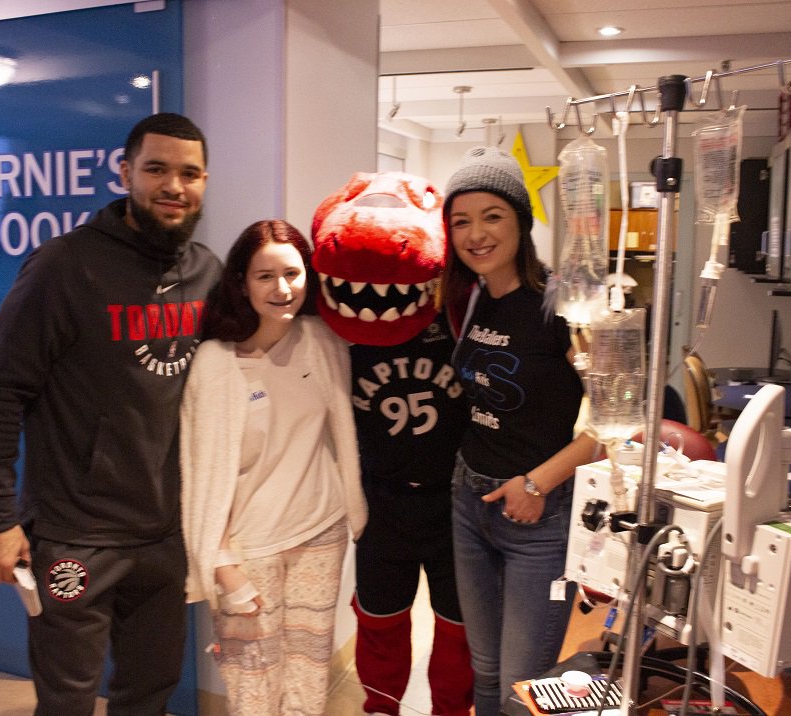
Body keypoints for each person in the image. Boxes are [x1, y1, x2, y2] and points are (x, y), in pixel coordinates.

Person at [0, 112, 221, 715]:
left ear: (204, 181)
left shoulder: (208, 274)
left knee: (150, 693)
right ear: (125, 171)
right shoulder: (64, 266)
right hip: (74, 536)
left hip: (164, 535)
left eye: (188, 173)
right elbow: (0, 393)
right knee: (68, 700)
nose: (172, 186)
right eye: (156, 168)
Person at [180, 219, 366, 716]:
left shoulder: (323, 341)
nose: (282, 289)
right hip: (249, 548)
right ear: (241, 282)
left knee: (307, 681)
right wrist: (220, 565)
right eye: (265, 276)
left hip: (320, 533)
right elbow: (197, 475)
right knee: (252, 690)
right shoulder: (215, 364)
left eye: (292, 273)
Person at [308, 170, 474, 716]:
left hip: (452, 500)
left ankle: (451, 709)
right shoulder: (338, 327)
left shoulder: (456, 314)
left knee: (457, 627)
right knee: (380, 621)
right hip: (380, 500)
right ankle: (381, 708)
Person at [440, 146, 598, 715]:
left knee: (522, 690)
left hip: (540, 516)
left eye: (492, 216)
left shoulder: (566, 304)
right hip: (470, 502)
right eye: (461, 221)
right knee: (483, 675)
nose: (476, 234)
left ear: (520, 221)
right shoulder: (470, 297)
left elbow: (614, 423)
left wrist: (536, 485)